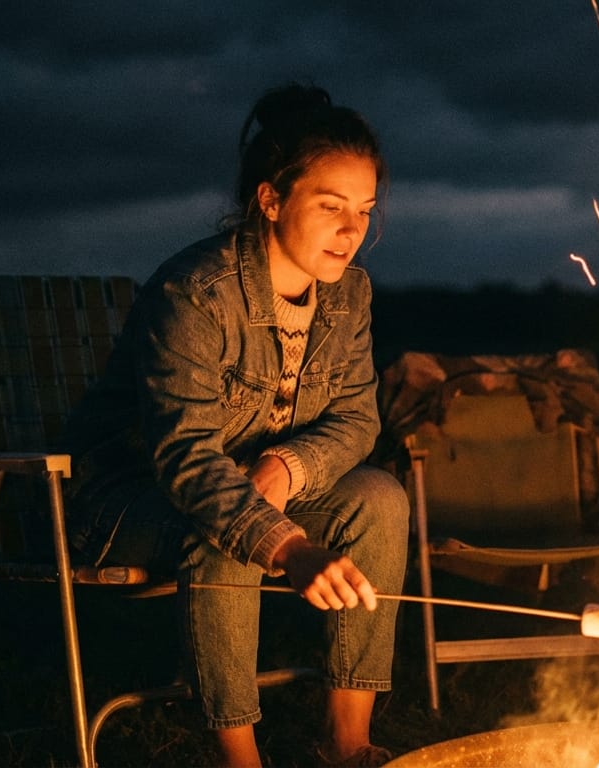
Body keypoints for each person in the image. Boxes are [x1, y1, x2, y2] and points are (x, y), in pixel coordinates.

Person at [60, 82, 408, 768]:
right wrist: (283, 542)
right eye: (331, 207)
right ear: (271, 200)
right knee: (225, 533)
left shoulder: (350, 294)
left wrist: (289, 468)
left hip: (260, 486)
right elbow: (186, 460)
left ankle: (348, 743)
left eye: (365, 211)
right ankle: (239, 757)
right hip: (128, 497)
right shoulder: (194, 295)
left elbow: (358, 416)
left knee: (380, 499)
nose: (352, 230)